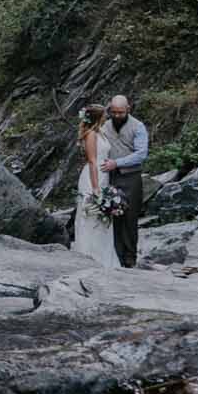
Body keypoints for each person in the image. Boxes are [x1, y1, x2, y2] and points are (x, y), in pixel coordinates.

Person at [104, 92, 149, 268]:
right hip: (110, 177)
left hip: (131, 177)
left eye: (120, 112)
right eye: (113, 112)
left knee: (130, 218)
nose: (116, 116)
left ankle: (130, 258)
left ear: (128, 109)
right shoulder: (105, 126)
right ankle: (116, 256)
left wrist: (117, 163)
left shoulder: (138, 127)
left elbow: (141, 154)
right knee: (112, 216)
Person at [72, 103, 118, 269]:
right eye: (104, 115)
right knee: (91, 214)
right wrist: (96, 187)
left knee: (102, 216)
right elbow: (92, 161)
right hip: (93, 177)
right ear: (98, 117)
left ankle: (105, 257)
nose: (107, 116)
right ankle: (88, 256)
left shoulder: (100, 133)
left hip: (103, 176)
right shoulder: (90, 134)